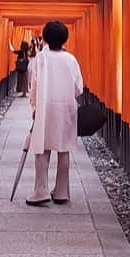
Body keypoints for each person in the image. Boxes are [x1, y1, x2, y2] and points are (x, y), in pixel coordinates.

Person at [26, 20, 83, 206]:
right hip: (66, 108)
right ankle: (61, 191)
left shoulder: (41, 58)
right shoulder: (71, 59)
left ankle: (41, 190)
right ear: (65, 39)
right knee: (63, 147)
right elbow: (79, 88)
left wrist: (34, 106)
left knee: (42, 148)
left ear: (45, 38)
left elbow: (33, 85)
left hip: (45, 107)